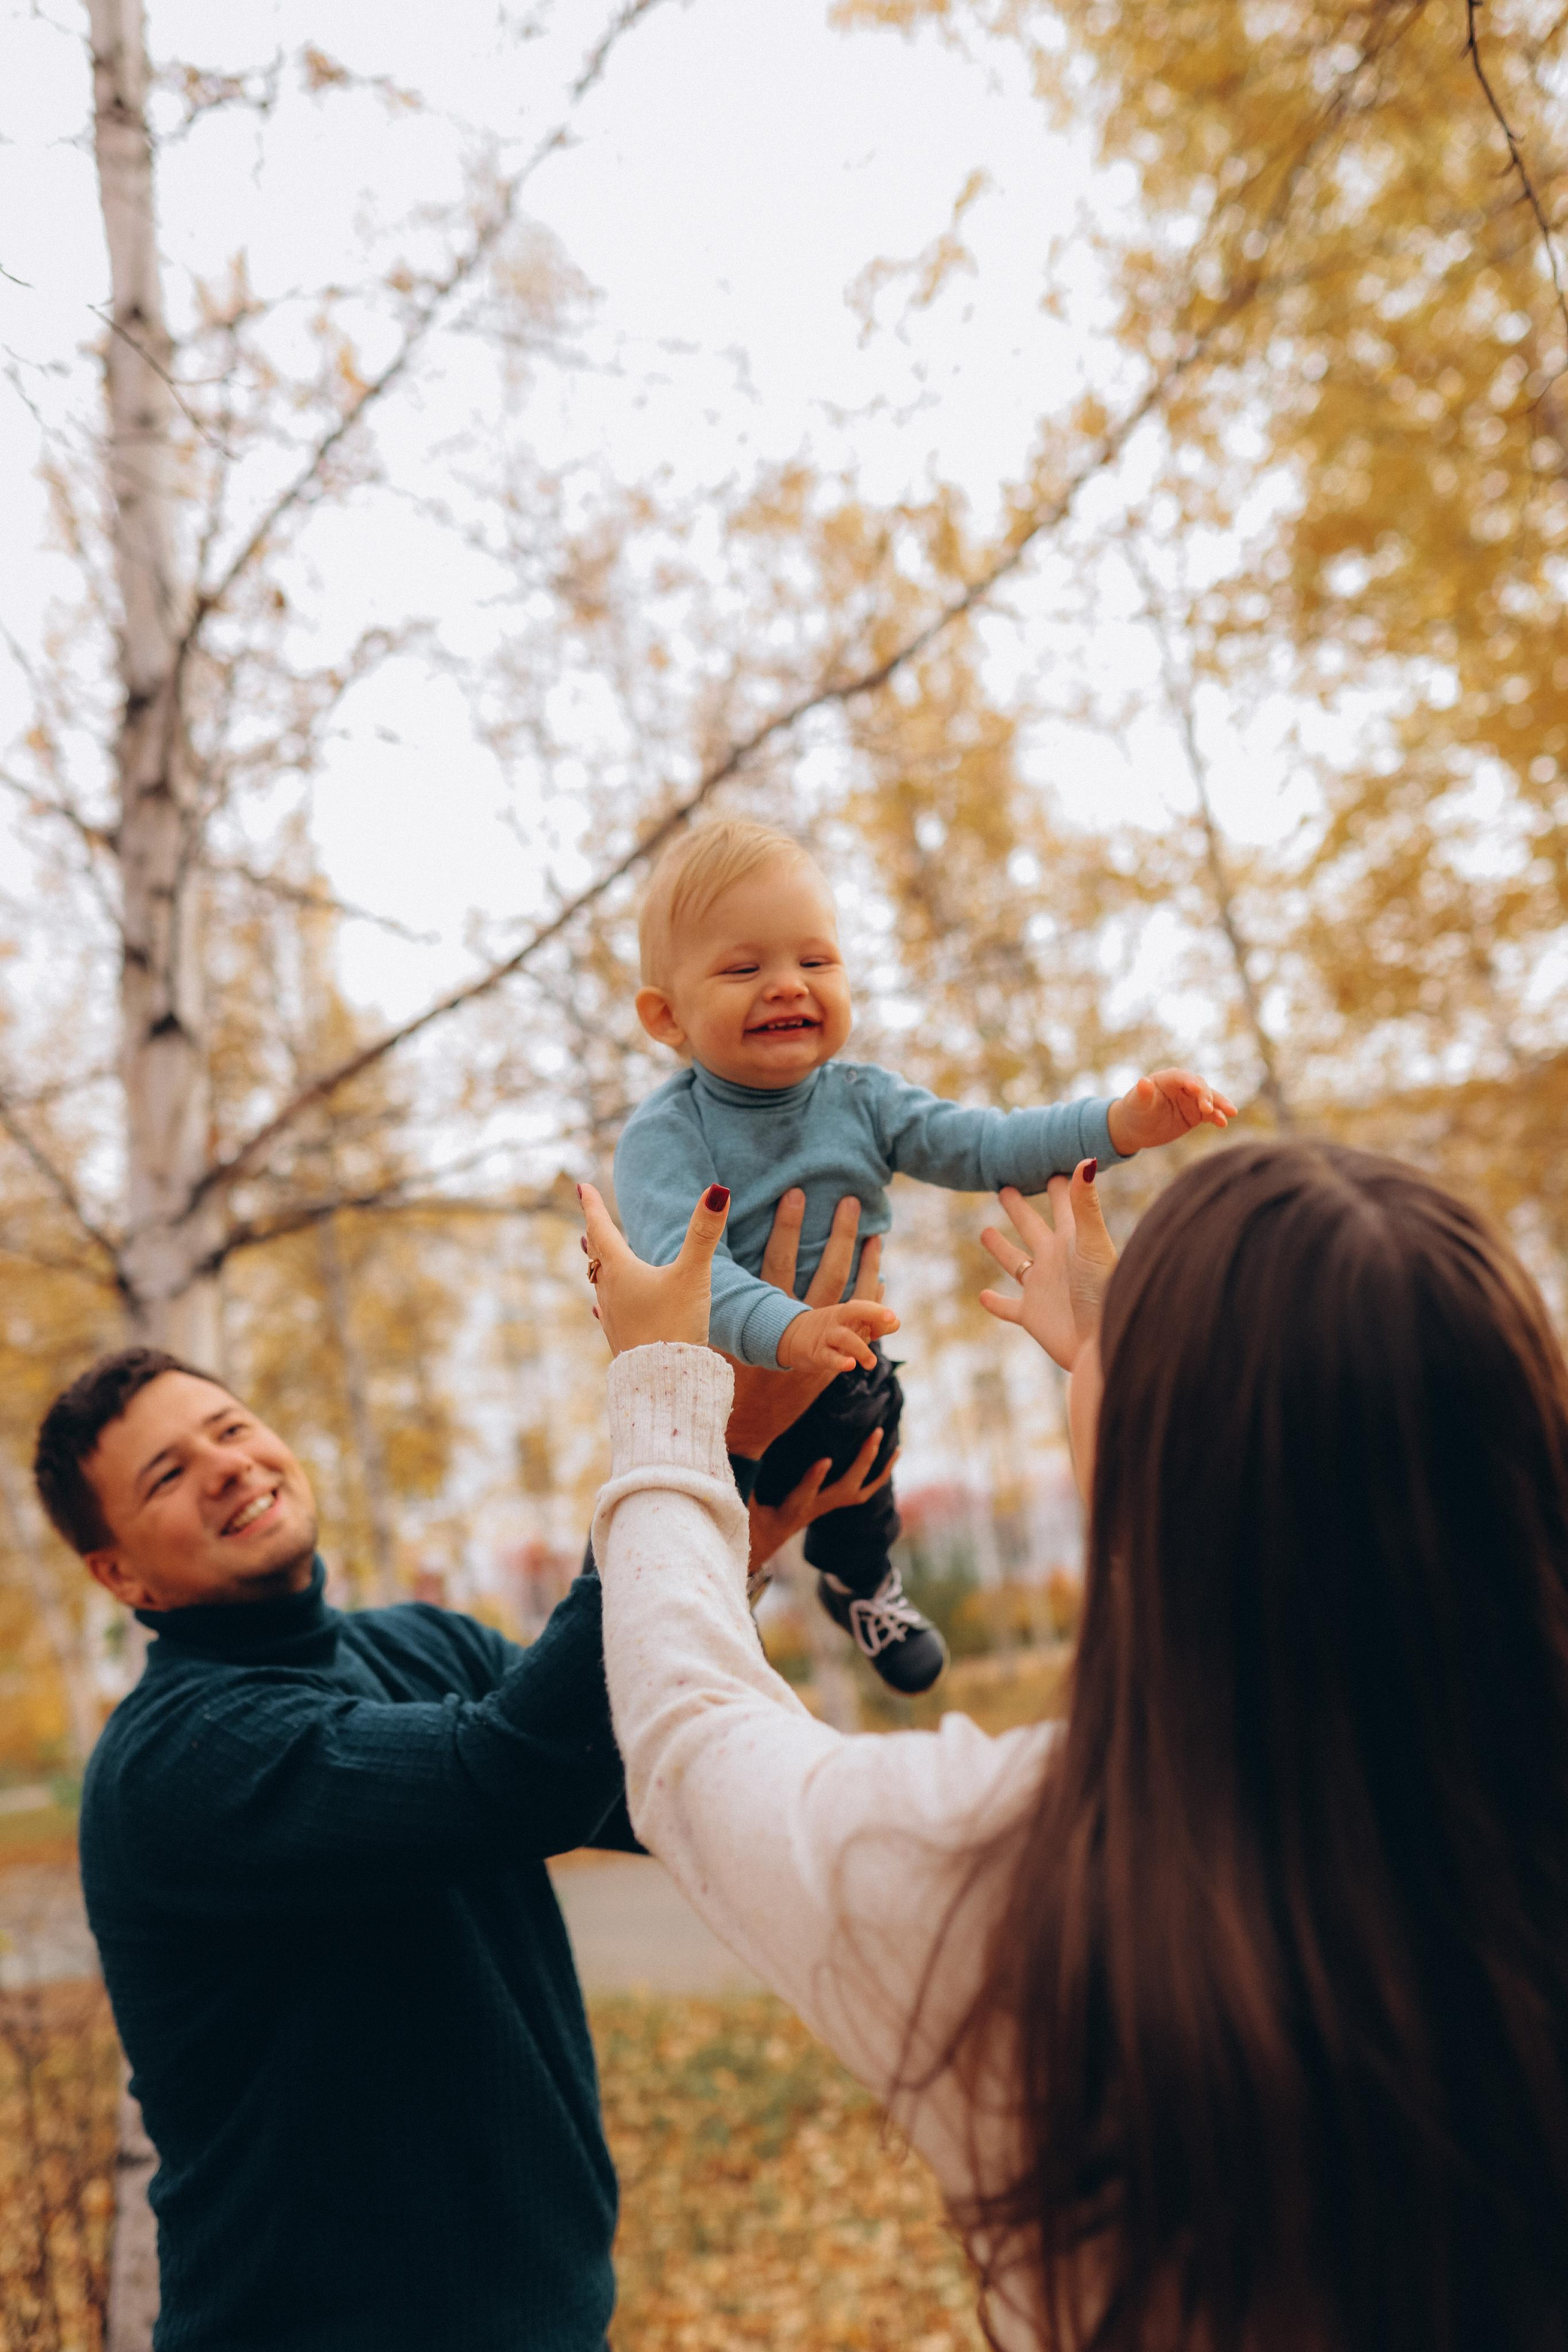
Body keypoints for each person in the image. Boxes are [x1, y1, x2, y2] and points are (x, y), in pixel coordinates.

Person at [579, 1142, 1568, 2351]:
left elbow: (686, 1731)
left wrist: (665, 1392)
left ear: (1149, 1456)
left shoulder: (997, 1880)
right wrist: (1149, 1376)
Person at [32, 1184, 889, 2352]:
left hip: (551, 2318)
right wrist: (697, 1431)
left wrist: (741, 1519)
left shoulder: (417, 1645)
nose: (225, 1467)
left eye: (228, 1429)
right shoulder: (180, 1758)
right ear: (121, 1577)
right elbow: (520, 1772)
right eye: (166, 1477)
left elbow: (658, 1764)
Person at [616, 816, 1235, 1692]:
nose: (787, 986)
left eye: (816, 961)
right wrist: (788, 1331)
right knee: (700, 1523)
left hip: (843, 1368)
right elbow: (689, 1274)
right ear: (665, 1016)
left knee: (868, 1452)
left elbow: (986, 1144)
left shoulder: (864, 1100)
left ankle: (863, 1580)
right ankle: (718, 1634)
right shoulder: (667, 1138)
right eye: (745, 968)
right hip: (721, 1401)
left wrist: (1119, 1124)